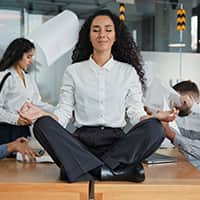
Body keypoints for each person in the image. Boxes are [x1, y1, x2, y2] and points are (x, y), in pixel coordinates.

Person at [19, 9, 177, 183]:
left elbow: (135, 114)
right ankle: (112, 171)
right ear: (89, 35)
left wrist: (155, 116)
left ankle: (82, 169)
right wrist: (39, 114)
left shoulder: (128, 72)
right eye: (96, 30)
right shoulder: (73, 71)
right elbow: (63, 115)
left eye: (108, 30)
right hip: (81, 144)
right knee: (42, 125)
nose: (102, 34)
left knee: (155, 128)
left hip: (117, 145)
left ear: (116, 36)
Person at [0, 38, 54, 146]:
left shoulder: (29, 78)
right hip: (6, 131)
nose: (31, 60)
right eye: (28, 57)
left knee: (23, 162)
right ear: (18, 55)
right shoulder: (5, 76)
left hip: (23, 130)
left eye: (32, 57)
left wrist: (58, 110)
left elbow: (36, 103)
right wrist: (16, 120)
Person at [165, 80, 200, 169]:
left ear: (188, 98)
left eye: (175, 99)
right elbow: (181, 134)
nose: (173, 106)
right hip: (188, 166)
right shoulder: (183, 115)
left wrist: (171, 135)